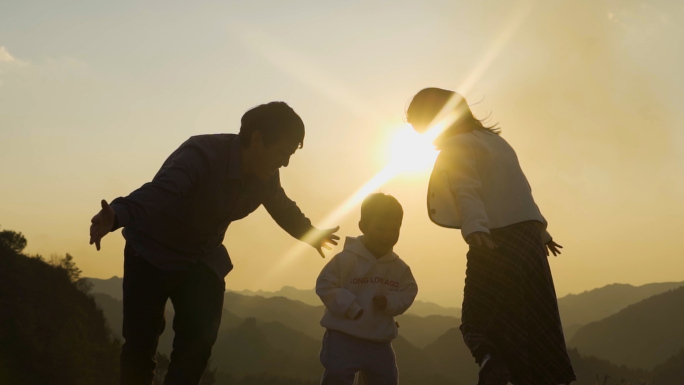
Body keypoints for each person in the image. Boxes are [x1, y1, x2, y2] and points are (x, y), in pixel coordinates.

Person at [88, 101, 340, 385]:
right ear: (257, 139)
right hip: (149, 251)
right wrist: (118, 214)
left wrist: (311, 233)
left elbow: (281, 206)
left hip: (200, 257)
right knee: (140, 345)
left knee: (198, 345)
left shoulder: (265, 175)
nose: (285, 163)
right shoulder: (200, 156)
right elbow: (161, 191)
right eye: (283, 153)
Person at [406, 88, 576, 385]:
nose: (423, 134)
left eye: (422, 126)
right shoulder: (499, 143)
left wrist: (474, 229)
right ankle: (542, 376)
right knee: (533, 313)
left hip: (493, 239)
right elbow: (520, 189)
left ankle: (496, 364)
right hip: (528, 241)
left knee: (477, 317)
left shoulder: (457, 146)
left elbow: (466, 188)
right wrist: (542, 232)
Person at [315, 193, 418, 385]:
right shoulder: (346, 259)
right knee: (337, 376)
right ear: (363, 226)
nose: (387, 236)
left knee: (387, 379)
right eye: (380, 228)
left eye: (394, 230)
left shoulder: (399, 267)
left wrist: (390, 302)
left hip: (379, 341)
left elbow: (409, 291)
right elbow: (325, 284)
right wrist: (350, 306)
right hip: (343, 336)